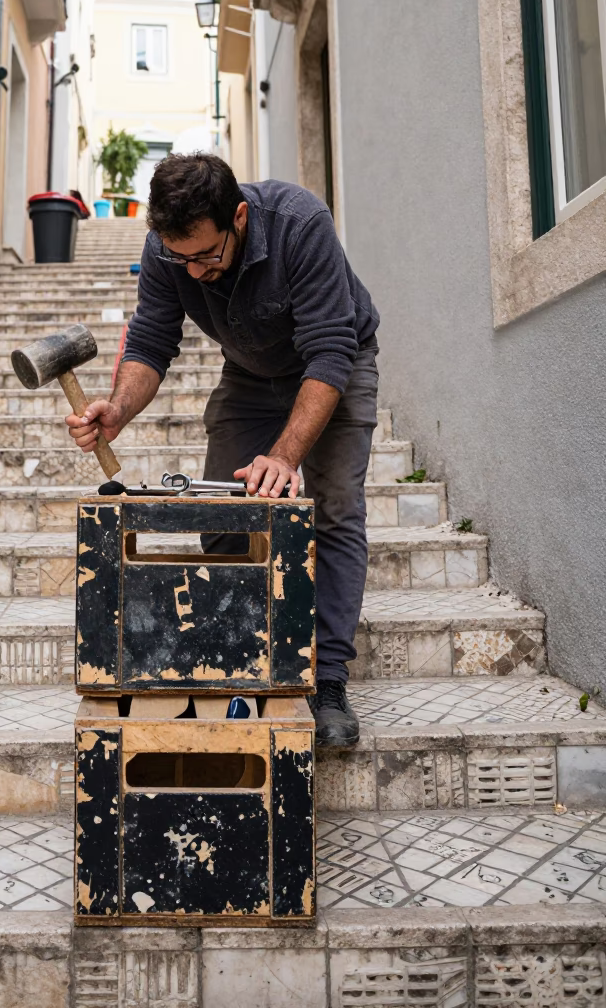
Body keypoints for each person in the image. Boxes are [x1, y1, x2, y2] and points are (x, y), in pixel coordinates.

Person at [66, 153, 380, 746]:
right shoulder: (168, 251)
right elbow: (153, 340)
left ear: (238, 217)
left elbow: (331, 353)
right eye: (183, 259)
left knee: (334, 508)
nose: (197, 271)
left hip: (335, 362)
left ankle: (329, 676)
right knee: (225, 514)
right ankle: (243, 654)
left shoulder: (300, 223)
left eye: (208, 255)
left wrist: (285, 457)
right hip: (249, 374)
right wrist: (119, 410)